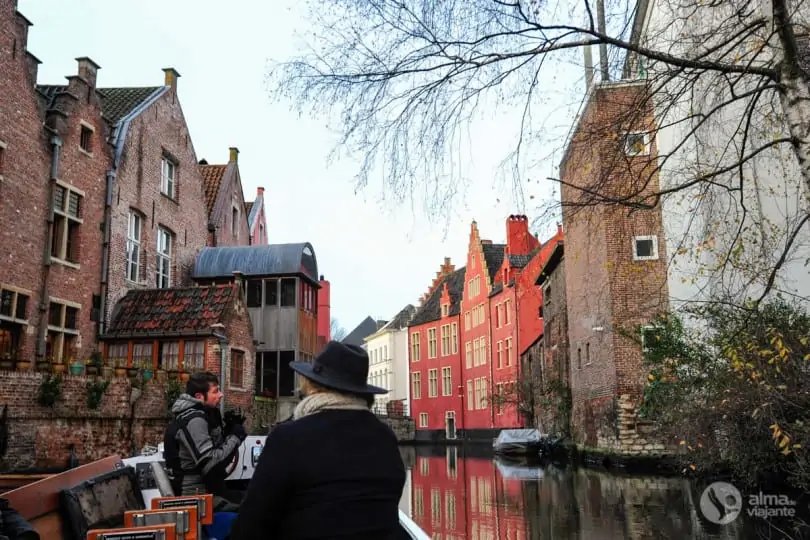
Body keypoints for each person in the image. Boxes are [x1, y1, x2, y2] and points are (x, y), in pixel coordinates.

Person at [229, 341, 406, 540]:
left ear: (312, 386)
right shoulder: (384, 436)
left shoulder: (289, 438)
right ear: (362, 393)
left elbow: (251, 523)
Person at [163, 371, 247, 511]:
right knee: (251, 508)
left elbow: (215, 456)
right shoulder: (194, 420)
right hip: (196, 497)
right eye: (215, 391)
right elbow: (211, 465)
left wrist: (227, 433)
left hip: (207, 490)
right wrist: (234, 437)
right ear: (199, 396)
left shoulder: (203, 414)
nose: (220, 395)